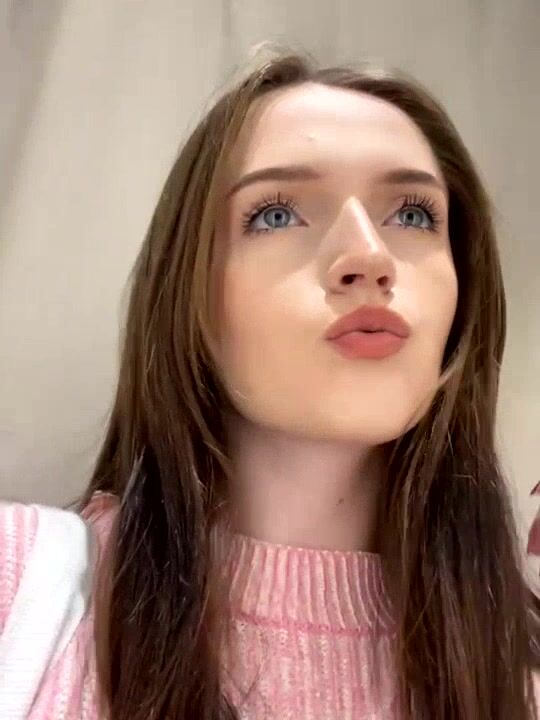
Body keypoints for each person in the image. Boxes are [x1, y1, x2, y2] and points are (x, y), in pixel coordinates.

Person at [1, 47, 540, 720]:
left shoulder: (517, 683)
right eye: (277, 214)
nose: (369, 256)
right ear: (187, 292)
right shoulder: (17, 585)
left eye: (412, 214)